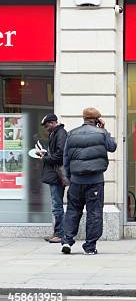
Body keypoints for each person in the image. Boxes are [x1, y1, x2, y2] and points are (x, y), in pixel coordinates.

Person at [61, 107, 117, 255]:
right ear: (97, 120)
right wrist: (105, 130)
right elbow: (112, 147)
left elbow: (65, 158)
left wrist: (69, 177)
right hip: (95, 181)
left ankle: (67, 241)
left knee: (72, 210)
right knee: (94, 213)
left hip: (76, 180)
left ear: (84, 118)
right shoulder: (101, 133)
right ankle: (90, 246)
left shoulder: (71, 134)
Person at [38, 114, 68, 244]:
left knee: (57, 206)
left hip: (57, 176)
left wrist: (44, 158)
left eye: (46, 125)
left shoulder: (60, 133)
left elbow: (60, 156)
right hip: (55, 175)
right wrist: (46, 154)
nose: (46, 128)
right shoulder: (56, 133)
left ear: (52, 122)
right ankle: (58, 233)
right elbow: (57, 154)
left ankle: (60, 234)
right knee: (56, 205)